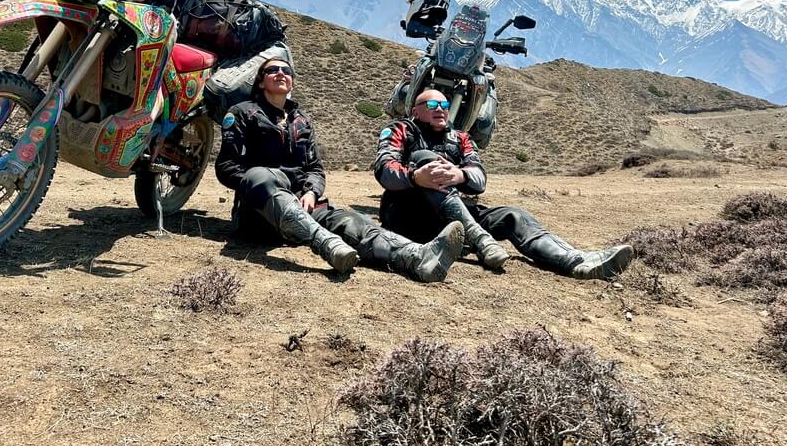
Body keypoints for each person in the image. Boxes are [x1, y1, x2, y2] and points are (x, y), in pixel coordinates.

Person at [215, 59, 465, 281]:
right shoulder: (242, 113)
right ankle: (325, 243)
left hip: (305, 207)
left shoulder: (302, 121)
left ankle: (417, 257)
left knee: (353, 221)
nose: (281, 73)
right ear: (260, 81)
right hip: (257, 215)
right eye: (273, 70)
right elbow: (227, 167)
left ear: (292, 81)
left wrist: (311, 192)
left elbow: (315, 168)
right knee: (260, 175)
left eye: (286, 70)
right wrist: (263, 184)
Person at [374, 89, 635, 280]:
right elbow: (384, 169)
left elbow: (479, 178)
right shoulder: (401, 130)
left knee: (514, 215)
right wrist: (416, 176)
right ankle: (480, 239)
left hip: (454, 217)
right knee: (424, 159)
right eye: (431, 103)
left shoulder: (461, 138)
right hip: (407, 215)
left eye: (443, 103)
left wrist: (460, 176)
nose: (440, 108)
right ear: (415, 110)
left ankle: (577, 262)